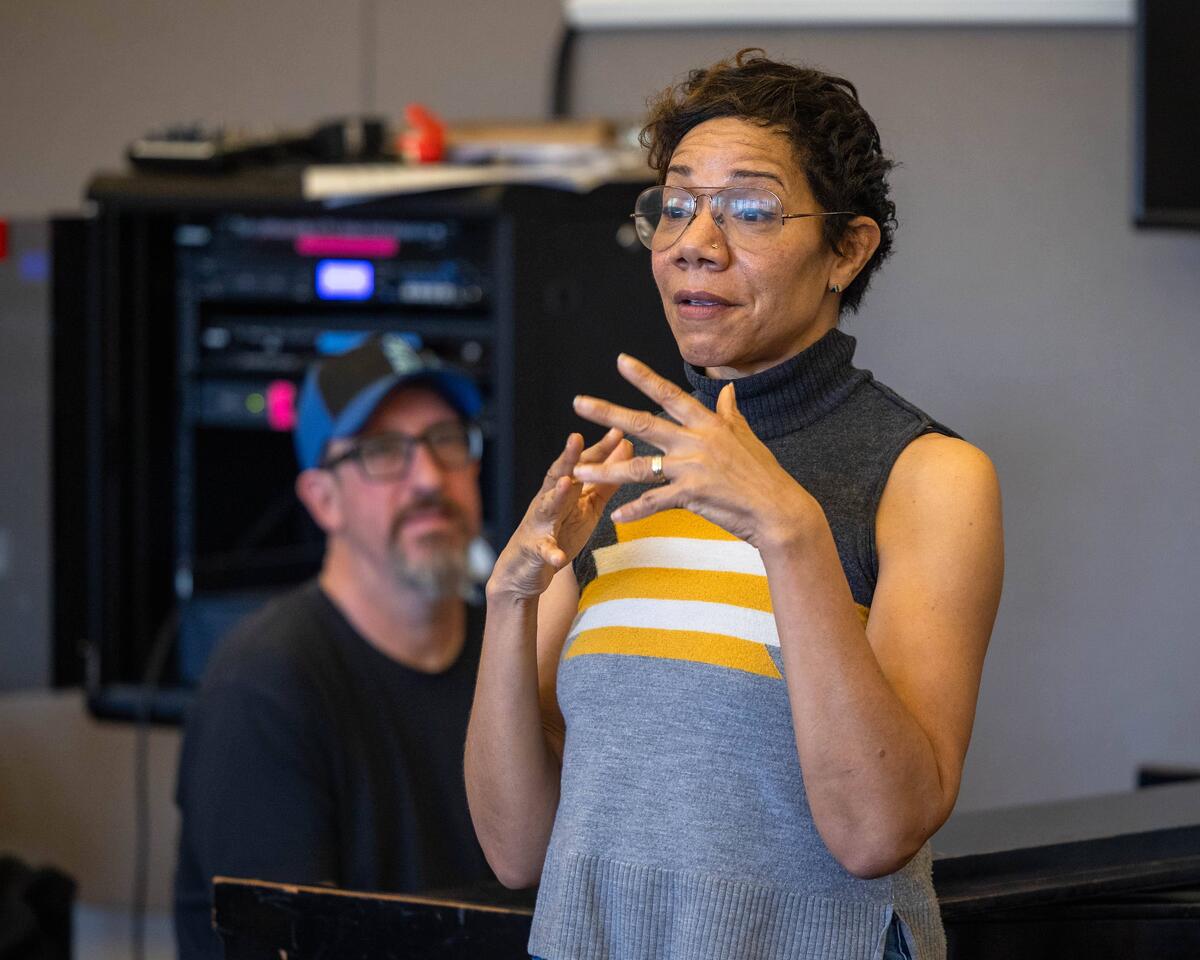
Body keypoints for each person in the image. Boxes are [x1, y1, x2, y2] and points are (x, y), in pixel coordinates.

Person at [465, 50, 1004, 960]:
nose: (695, 241)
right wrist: (508, 602)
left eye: (750, 209)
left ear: (848, 249)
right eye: (675, 205)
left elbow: (878, 832)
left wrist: (789, 531)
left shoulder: (925, 475)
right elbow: (515, 851)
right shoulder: (620, 472)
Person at [174, 334, 494, 959]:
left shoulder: (513, 658)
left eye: (446, 440)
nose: (429, 477)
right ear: (323, 499)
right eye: (382, 452)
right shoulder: (264, 685)